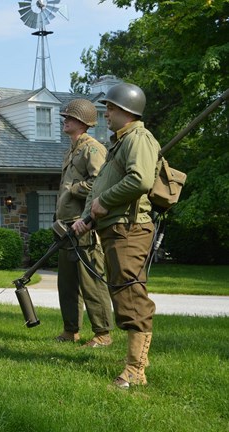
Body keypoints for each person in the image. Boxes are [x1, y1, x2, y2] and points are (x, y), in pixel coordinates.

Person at [72, 83, 160, 388]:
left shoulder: (139, 138)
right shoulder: (120, 143)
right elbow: (103, 189)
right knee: (123, 294)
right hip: (116, 227)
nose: (105, 113)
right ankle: (136, 367)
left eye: (109, 108)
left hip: (130, 229)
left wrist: (104, 202)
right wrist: (88, 218)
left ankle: (136, 370)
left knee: (131, 296)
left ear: (126, 111)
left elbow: (141, 179)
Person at [55, 99, 114, 347]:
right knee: (66, 283)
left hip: (84, 225)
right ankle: (71, 330)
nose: (64, 120)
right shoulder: (72, 149)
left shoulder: (93, 149)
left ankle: (102, 334)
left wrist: (76, 189)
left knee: (91, 281)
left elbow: (102, 184)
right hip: (66, 226)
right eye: (65, 117)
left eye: (69, 117)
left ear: (83, 122)